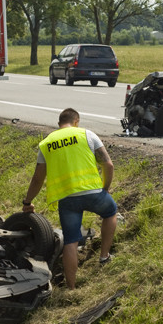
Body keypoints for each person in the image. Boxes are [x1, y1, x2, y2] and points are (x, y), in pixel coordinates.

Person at [22, 108, 118, 289]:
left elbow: (37, 179)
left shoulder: (47, 143)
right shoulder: (87, 135)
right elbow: (108, 164)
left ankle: (71, 287)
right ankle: (104, 256)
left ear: (59, 124)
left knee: (71, 240)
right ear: (76, 121)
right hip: (93, 192)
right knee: (110, 212)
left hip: (67, 200)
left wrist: (27, 202)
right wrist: (105, 189)